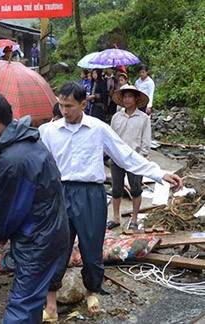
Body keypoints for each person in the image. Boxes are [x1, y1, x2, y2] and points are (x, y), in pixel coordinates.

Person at [41, 82, 183, 319]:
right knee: (56, 248)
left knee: (91, 246)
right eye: (61, 105)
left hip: (91, 194)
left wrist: (159, 174)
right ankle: (51, 305)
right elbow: (37, 163)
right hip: (61, 192)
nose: (64, 111)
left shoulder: (98, 128)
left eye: (69, 106)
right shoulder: (49, 131)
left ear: (84, 104)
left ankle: (91, 291)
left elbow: (126, 156)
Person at [0, 92, 69, 323]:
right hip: (50, 229)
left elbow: (12, 208)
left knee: (21, 305)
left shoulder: (15, 159)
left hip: (38, 238)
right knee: (31, 300)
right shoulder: (27, 140)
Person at [107, 86, 151, 231]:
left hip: (135, 159)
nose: (127, 99)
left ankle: (134, 218)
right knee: (116, 190)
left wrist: (142, 157)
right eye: (125, 97)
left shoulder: (143, 118)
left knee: (136, 189)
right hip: (117, 158)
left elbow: (146, 140)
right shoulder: (116, 117)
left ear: (136, 99)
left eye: (129, 97)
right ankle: (116, 218)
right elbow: (111, 138)